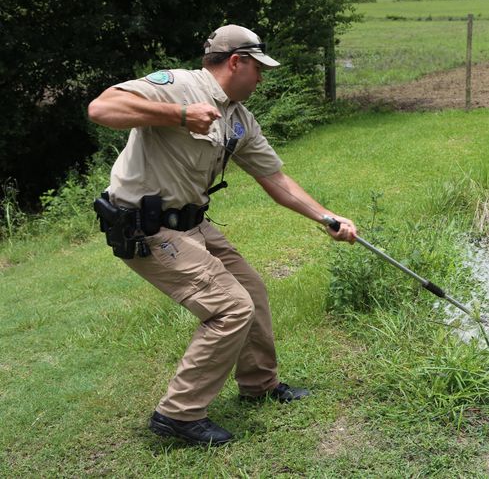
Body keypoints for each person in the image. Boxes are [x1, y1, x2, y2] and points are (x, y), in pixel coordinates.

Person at [87, 24, 357, 446]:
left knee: (252, 291)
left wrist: (327, 218)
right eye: (258, 69)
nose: (262, 78)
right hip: (147, 229)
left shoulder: (238, 118)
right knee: (231, 308)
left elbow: (276, 180)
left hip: (193, 224)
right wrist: (179, 115)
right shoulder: (178, 87)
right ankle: (177, 414)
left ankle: (259, 385)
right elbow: (102, 109)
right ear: (236, 62)